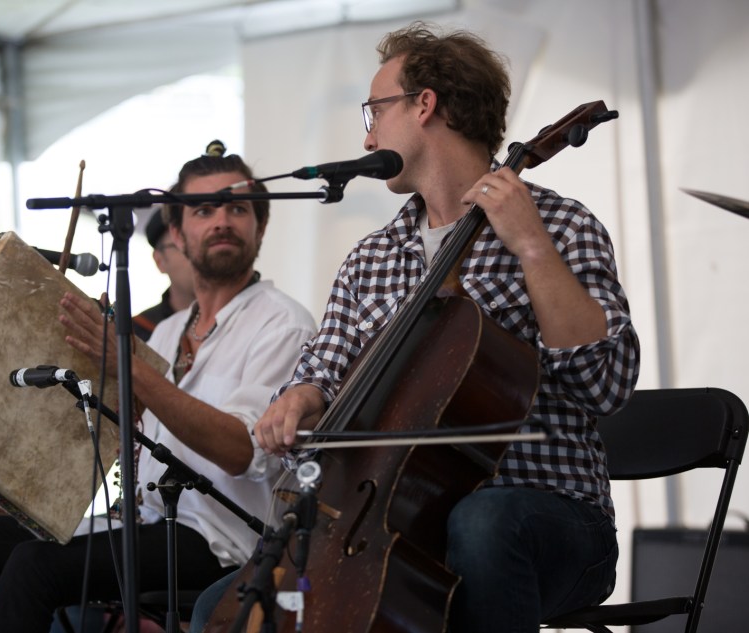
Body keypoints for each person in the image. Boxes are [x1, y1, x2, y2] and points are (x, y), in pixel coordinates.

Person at [251, 23, 640, 633]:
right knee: (230, 601)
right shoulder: (371, 258)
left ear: (424, 104)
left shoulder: (560, 224)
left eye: (376, 110)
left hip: (551, 517)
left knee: (481, 524)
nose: (367, 132)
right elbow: (320, 371)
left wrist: (531, 246)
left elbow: (605, 387)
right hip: (402, 522)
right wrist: (300, 397)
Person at [0, 142, 317, 633]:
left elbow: (241, 451)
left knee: (32, 568)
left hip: (222, 540)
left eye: (238, 208)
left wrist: (130, 367)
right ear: (177, 232)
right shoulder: (170, 331)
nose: (222, 221)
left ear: (259, 226)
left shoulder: (284, 325)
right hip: (142, 522)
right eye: (204, 209)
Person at [132, 209, 196, 341]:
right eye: (182, 246)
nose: (197, 254)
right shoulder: (137, 333)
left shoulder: (241, 318)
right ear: (159, 261)